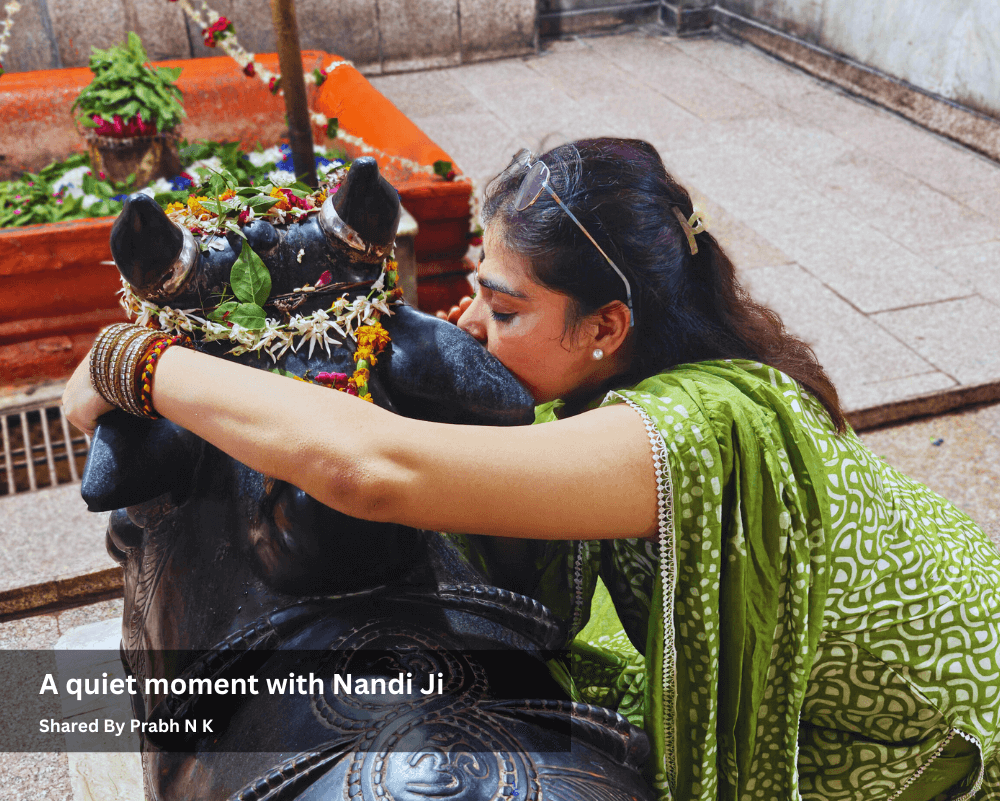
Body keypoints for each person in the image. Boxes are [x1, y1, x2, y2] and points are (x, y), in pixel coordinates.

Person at [64, 137, 1000, 801]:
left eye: (504, 310)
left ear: (605, 328)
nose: (470, 327)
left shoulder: (687, 429)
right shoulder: (639, 374)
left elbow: (368, 473)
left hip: (912, 724)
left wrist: (138, 364)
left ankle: (43, 709)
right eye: (474, 287)